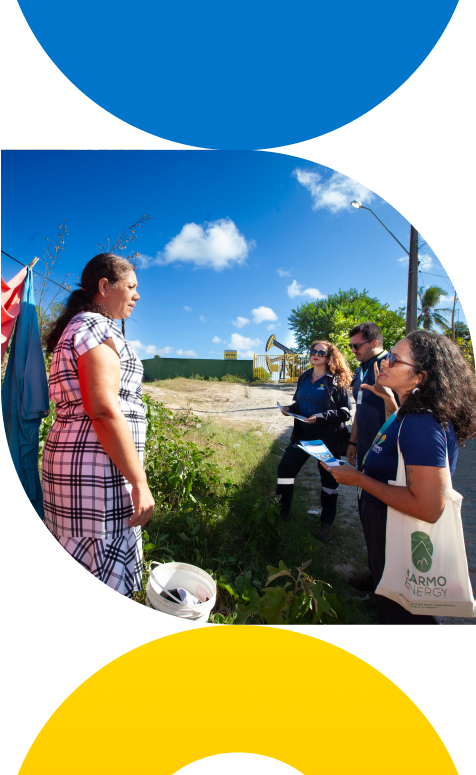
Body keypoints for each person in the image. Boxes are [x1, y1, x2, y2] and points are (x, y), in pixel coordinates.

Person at [319, 330, 476, 625]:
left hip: (399, 527)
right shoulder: (410, 411)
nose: (385, 363)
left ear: (420, 377)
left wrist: (359, 479)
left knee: (405, 611)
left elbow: (430, 507)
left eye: (394, 359)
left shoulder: (421, 423)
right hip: (389, 524)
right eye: (388, 355)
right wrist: (389, 400)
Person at [42, 253, 155, 599]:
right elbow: (103, 410)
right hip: (94, 475)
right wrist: (139, 482)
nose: (137, 295)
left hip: (83, 465)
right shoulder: (94, 327)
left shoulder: (80, 326)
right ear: (105, 287)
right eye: (131, 287)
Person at [277, 339, 352, 543]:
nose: (316, 354)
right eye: (313, 351)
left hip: (325, 440)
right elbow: (298, 403)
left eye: (321, 352)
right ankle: (281, 513)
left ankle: (327, 523)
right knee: (284, 471)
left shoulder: (336, 380)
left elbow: (345, 412)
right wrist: (289, 409)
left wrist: (320, 417)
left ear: (330, 357)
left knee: (329, 482)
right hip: (302, 437)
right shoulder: (305, 376)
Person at [346, 322, 399, 592]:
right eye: (351, 346)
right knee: (368, 515)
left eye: (357, 345)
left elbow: (402, 409)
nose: (353, 350)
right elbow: (361, 407)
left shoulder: (390, 366)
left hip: (388, 453)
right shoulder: (362, 367)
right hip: (366, 447)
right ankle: (375, 572)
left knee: (385, 519)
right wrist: (353, 441)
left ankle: (388, 586)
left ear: (375, 343)